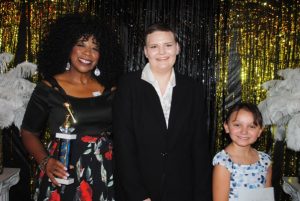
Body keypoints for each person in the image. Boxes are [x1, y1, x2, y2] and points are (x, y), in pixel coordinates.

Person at [20, 13, 123, 201]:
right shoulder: (48, 89)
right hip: (61, 173)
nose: (87, 53)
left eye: (95, 48)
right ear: (68, 47)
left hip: (102, 173)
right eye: (81, 45)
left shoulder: (111, 91)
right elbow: (28, 132)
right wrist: (45, 161)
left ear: (102, 54)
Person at [113, 23, 212, 201]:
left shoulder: (193, 89)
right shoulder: (128, 85)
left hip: (182, 190)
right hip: (138, 190)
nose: (162, 52)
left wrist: (201, 195)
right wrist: (138, 195)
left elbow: (199, 146)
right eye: (154, 46)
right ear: (145, 51)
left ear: (177, 48)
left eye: (168, 45)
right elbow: (123, 144)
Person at [212, 102, 272, 201]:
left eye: (252, 126)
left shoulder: (265, 161)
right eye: (237, 125)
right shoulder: (223, 162)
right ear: (227, 127)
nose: (244, 131)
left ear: (260, 131)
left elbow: (267, 197)